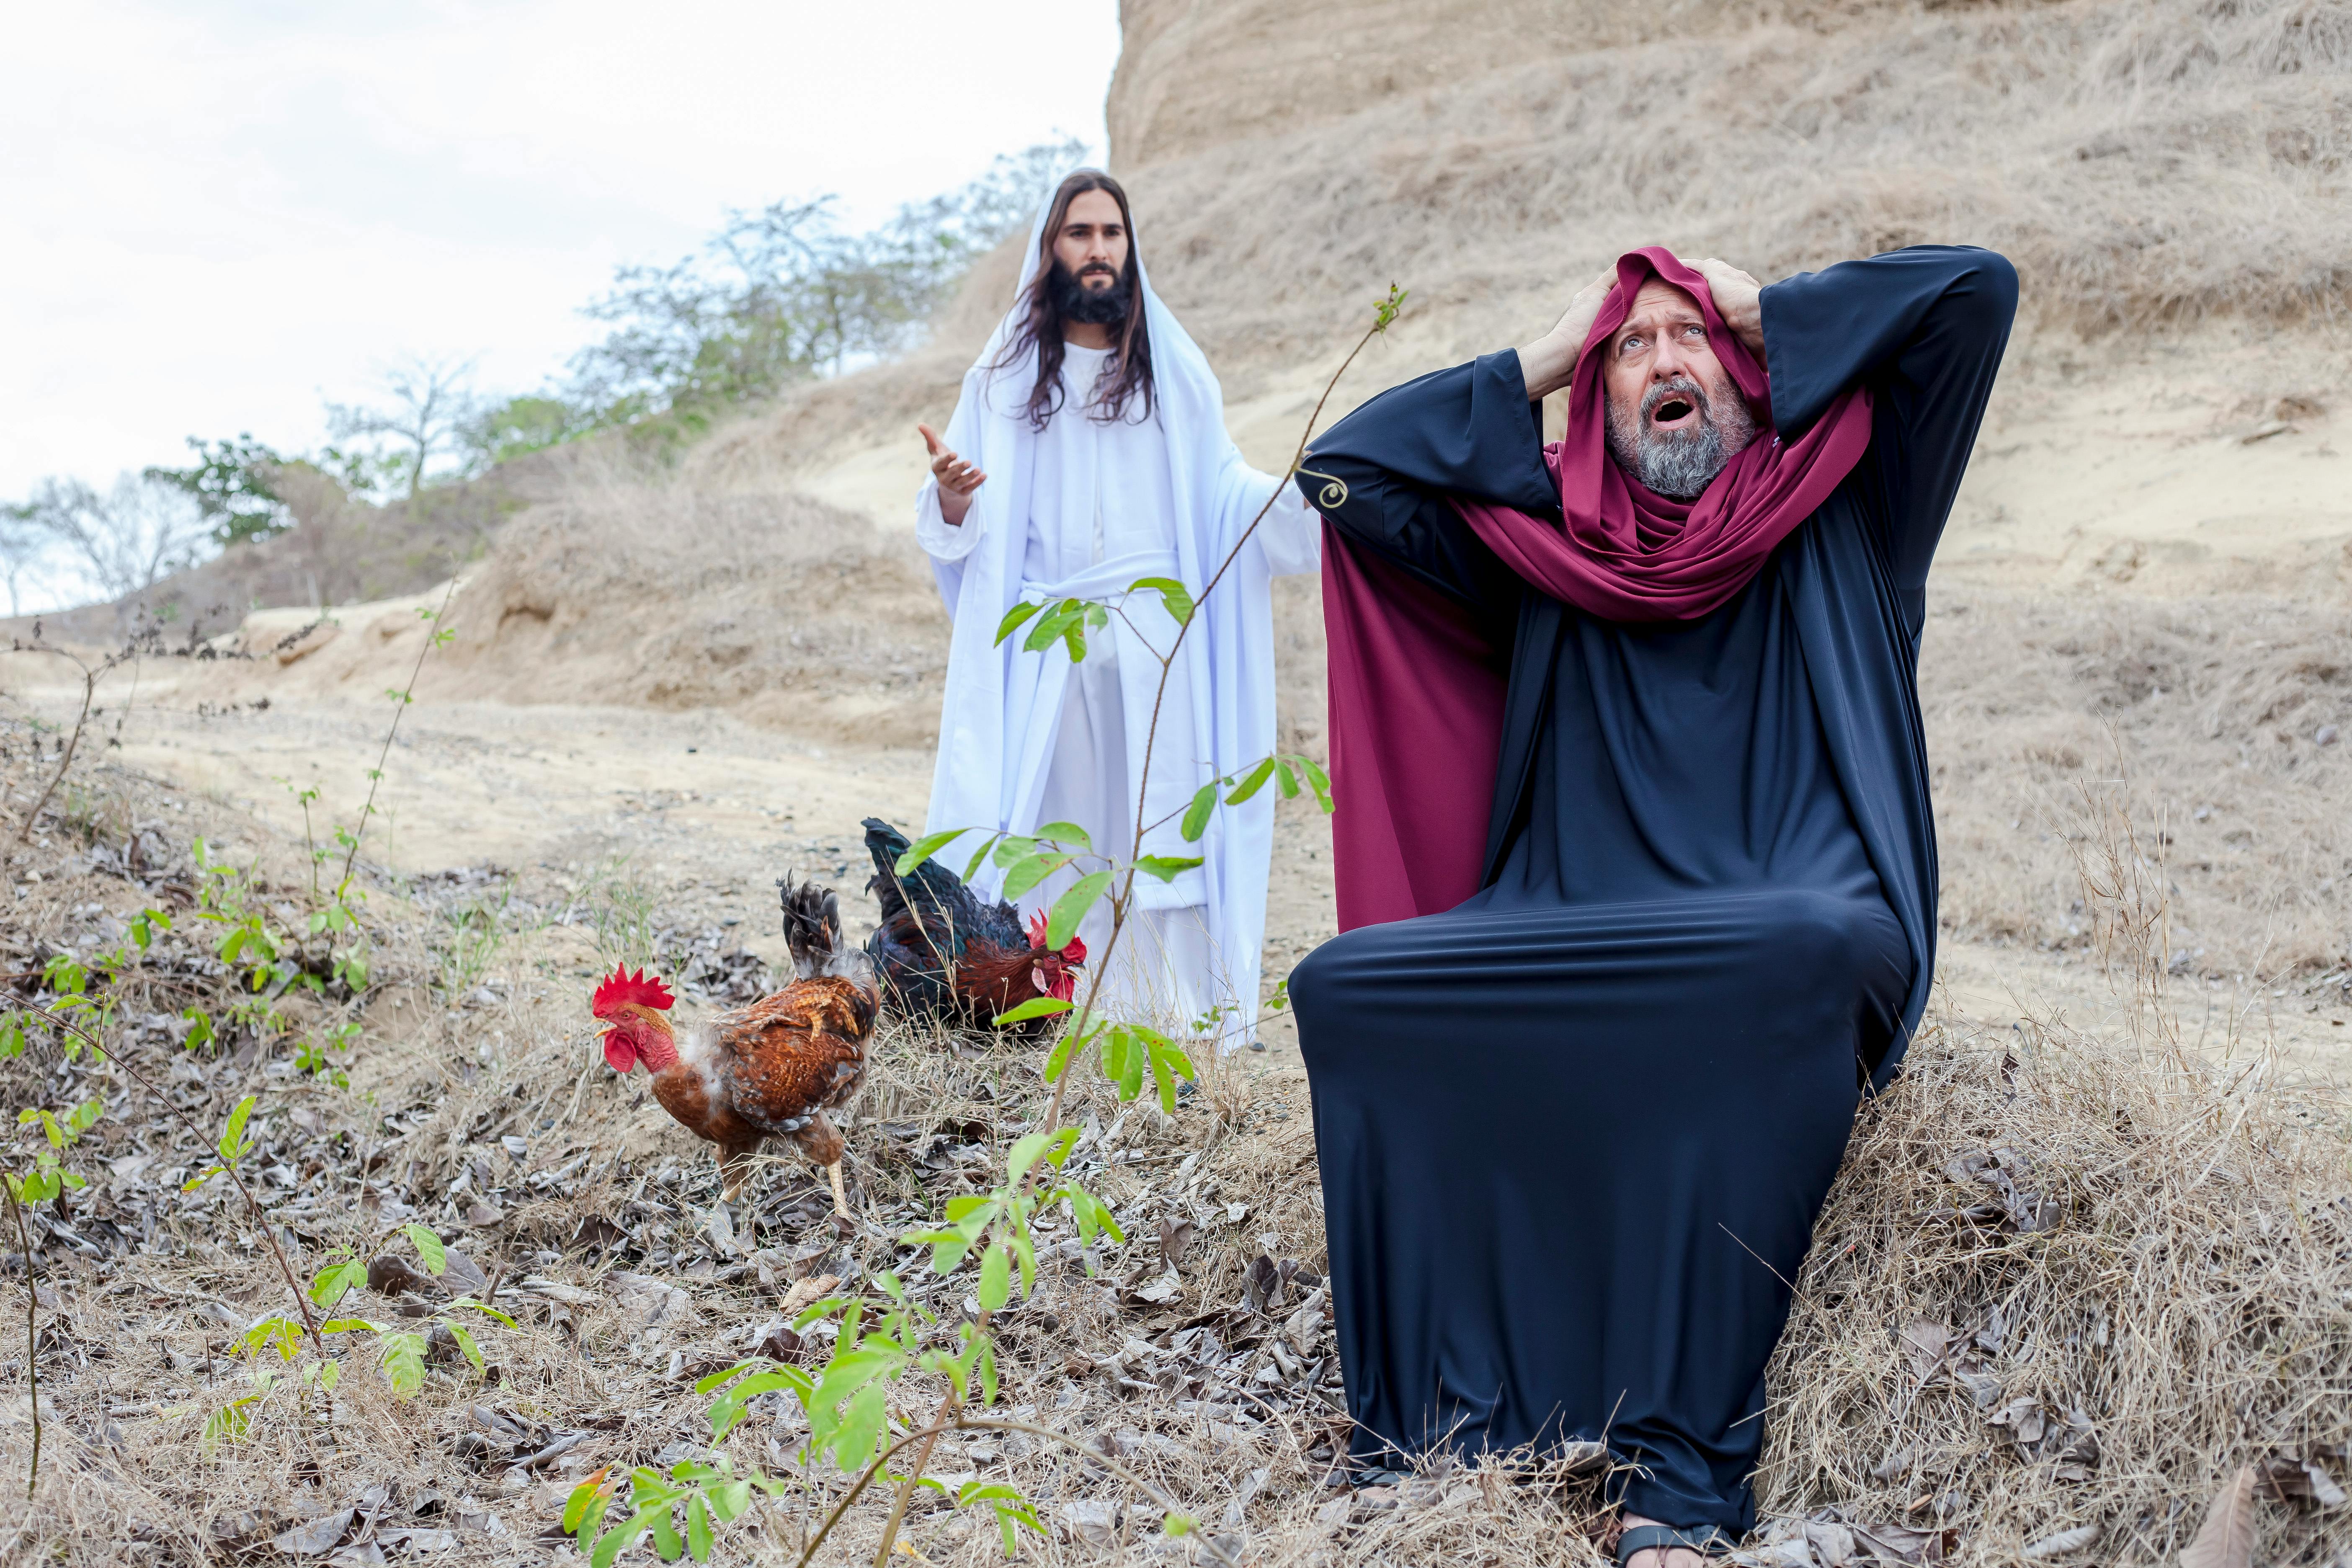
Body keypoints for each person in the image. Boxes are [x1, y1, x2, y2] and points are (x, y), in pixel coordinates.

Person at [1288, 245, 2017, 1565]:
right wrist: (1546, 351)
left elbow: (1978, 292)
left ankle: (1678, 1478)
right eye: (1635, 350)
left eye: (1693, 342)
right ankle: (1434, 1436)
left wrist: (1751, 304)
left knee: (1788, 951)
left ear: (1749, 373)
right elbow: (1346, 472)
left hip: (1796, 918)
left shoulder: (1857, 495)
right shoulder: (1545, 550)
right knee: (1346, 984)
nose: (1665, 363)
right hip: (1571, 918)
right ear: (1594, 401)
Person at [913, 170, 1319, 1033]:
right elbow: (964, 527)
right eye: (1079, 234)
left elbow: (1221, 493)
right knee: (1047, 836)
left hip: (1153, 648)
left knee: (1153, 836)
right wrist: (950, 496)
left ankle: (1160, 1021)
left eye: (1112, 234)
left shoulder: (1174, 374)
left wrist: (1308, 494)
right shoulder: (1002, 379)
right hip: (1044, 649)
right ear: (1050, 249)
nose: (1098, 250)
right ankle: (1037, 1015)